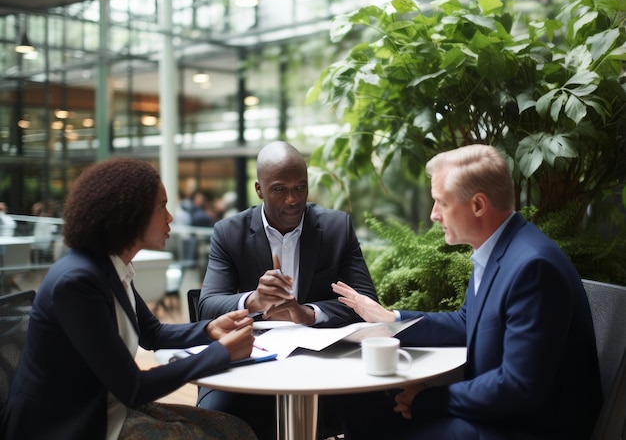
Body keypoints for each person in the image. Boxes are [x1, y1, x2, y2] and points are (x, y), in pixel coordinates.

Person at [331, 144, 602, 440]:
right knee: (361, 406)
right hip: (502, 414)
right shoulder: (500, 249)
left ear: (478, 205)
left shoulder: (533, 267)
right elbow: (466, 322)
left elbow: (519, 387)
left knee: (381, 426)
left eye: (441, 203)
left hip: (526, 428)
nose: (434, 214)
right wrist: (392, 321)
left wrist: (428, 400)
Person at [1, 157, 258, 440]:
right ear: (131, 214)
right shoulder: (77, 282)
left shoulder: (110, 265)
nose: (170, 217)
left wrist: (209, 330)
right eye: (162, 207)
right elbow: (133, 388)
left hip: (107, 404)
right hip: (69, 424)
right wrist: (221, 353)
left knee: (236, 427)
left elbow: (152, 333)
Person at [197, 140, 378, 438]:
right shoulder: (229, 233)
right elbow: (207, 306)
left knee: (376, 408)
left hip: (324, 363)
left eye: (301, 187)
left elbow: (366, 302)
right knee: (216, 418)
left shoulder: (337, 228)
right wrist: (254, 301)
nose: (293, 199)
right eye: (280, 189)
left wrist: (306, 313)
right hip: (247, 363)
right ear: (259, 190)